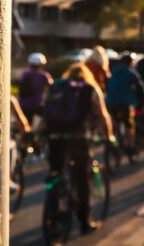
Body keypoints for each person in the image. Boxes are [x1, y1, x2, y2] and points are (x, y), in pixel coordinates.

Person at [43, 63, 114, 234]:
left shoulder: (57, 88)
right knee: (81, 178)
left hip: (55, 137)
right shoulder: (90, 88)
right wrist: (109, 135)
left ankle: (52, 213)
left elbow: (46, 110)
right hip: (78, 137)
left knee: (55, 174)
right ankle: (85, 220)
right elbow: (103, 114)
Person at [105, 54, 144, 157]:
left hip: (110, 102)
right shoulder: (131, 73)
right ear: (131, 63)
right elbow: (141, 88)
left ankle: (116, 139)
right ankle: (129, 145)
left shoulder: (113, 72)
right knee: (129, 124)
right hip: (125, 103)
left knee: (115, 121)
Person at [19, 52, 53, 126]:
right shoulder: (44, 75)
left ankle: (27, 135)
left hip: (24, 104)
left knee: (27, 123)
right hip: (37, 104)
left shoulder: (25, 74)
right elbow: (51, 85)